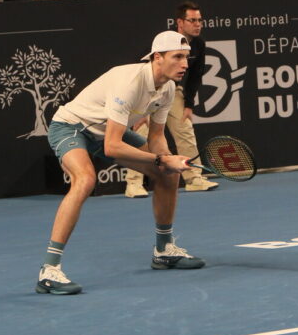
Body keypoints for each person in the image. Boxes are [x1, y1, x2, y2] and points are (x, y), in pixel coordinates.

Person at [38, 30, 205, 295]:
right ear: (158, 57)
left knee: (168, 174)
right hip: (72, 127)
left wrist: (168, 162)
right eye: (177, 57)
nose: (185, 64)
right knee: (85, 180)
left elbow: (157, 137)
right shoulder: (129, 82)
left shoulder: (169, 88)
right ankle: (49, 271)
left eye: (186, 57)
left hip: (106, 130)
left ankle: (164, 250)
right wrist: (162, 158)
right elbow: (112, 146)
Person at [124, 1, 219, 198]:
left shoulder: (199, 44)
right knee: (141, 132)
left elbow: (196, 75)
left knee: (185, 130)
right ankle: (133, 184)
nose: (197, 24)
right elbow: (141, 67)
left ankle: (194, 179)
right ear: (180, 23)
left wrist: (189, 104)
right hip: (147, 90)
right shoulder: (166, 41)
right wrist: (140, 105)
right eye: (192, 20)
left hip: (173, 91)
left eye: (199, 20)